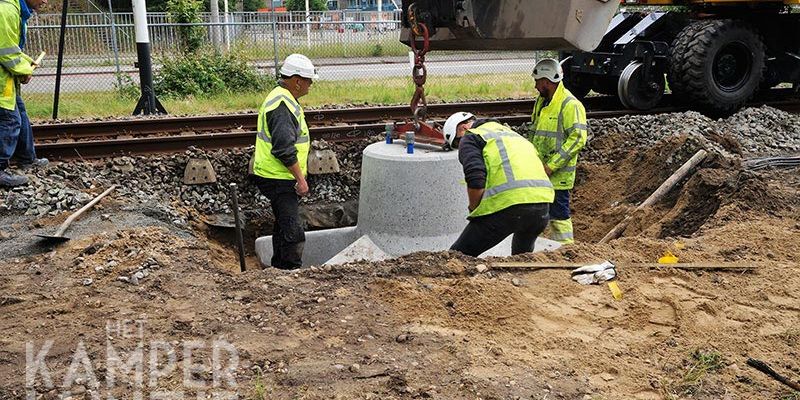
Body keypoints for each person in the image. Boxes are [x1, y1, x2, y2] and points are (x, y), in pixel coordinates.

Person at [443, 112, 554, 257]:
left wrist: (475, 210)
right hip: (542, 206)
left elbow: (475, 180)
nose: (460, 147)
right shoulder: (512, 135)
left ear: (463, 128)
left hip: (510, 206)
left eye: (457, 143)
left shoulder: (471, 136)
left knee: (457, 256)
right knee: (521, 258)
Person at [251, 54, 317, 269]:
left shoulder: (283, 98)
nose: (311, 84)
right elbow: (283, 149)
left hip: (276, 174)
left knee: (282, 225)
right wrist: (300, 179)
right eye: (309, 80)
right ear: (297, 81)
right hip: (278, 176)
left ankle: (278, 268)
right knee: (293, 232)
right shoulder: (282, 104)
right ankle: (290, 272)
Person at [529, 58, 588, 244]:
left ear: (546, 81)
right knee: (535, 213)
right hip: (539, 170)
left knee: (559, 216)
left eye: (537, 82)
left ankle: (566, 250)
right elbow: (536, 132)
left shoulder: (570, 104)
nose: (536, 86)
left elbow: (578, 138)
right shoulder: (542, 101)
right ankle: (534, 246)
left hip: (557, 175)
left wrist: (552, 166)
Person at [0, 0, 49, 187]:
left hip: (6, 79)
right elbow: (5, 51)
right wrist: (23, 70)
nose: (45, 1)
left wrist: (27, 62)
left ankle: (27, 159)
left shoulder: (17, 10)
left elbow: (13, 49)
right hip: (2, 80)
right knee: (10, 120)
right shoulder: (6, 10)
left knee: (19, 113)